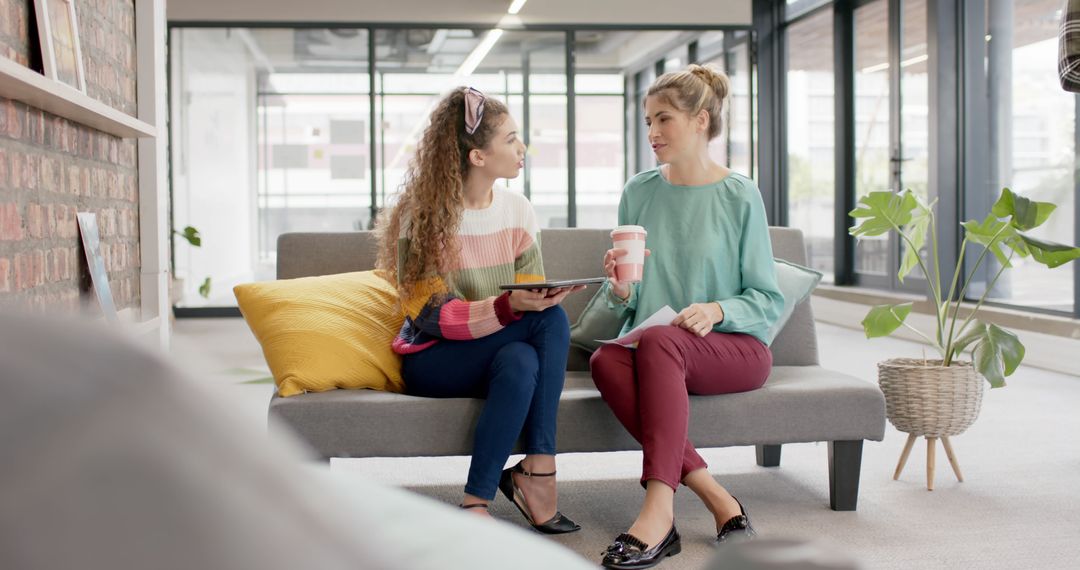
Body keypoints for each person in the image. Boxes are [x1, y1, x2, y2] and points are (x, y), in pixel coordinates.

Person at [590, 65, 784, 569]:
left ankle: (658, 511)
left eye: (664, 120)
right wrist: (619, 290)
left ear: (700, 120)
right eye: (648, 121)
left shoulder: (740, 195)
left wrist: (718, 308)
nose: (652, 133)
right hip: (661, 346)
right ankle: (719, 499)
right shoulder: (639, 191)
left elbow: (767, 298)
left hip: (736, 348)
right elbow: (628, 305)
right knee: (607, 361)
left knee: (659, 342)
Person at [375, 86, 584, 533]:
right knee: (548, 322)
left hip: (501, 348)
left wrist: (530, 301)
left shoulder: (519, 211)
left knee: (524, 354)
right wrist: (509, 308)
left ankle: (476, 502)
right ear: (477, 157)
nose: (522, 147)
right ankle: (539, 471)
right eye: (510, 139)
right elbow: (429, 313)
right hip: (434, 358)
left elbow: (529, 301)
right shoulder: (424, 217)